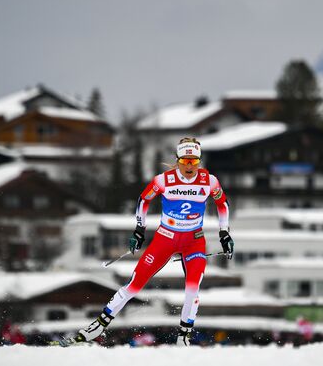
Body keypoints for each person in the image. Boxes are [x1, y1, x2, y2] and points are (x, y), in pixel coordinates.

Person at [61, 137, 234, 347]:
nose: (190, 167)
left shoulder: (209, 181)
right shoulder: (163, 180)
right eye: (186, 161)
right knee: (135, 285)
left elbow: (222, 204)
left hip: (193, 240)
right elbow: (143, 200)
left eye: (194, 162)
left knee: (193, 287)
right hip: (166, 239)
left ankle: (184, 337)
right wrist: (139, 229)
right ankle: (97, 326)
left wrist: (224, 233)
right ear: (178, 160)